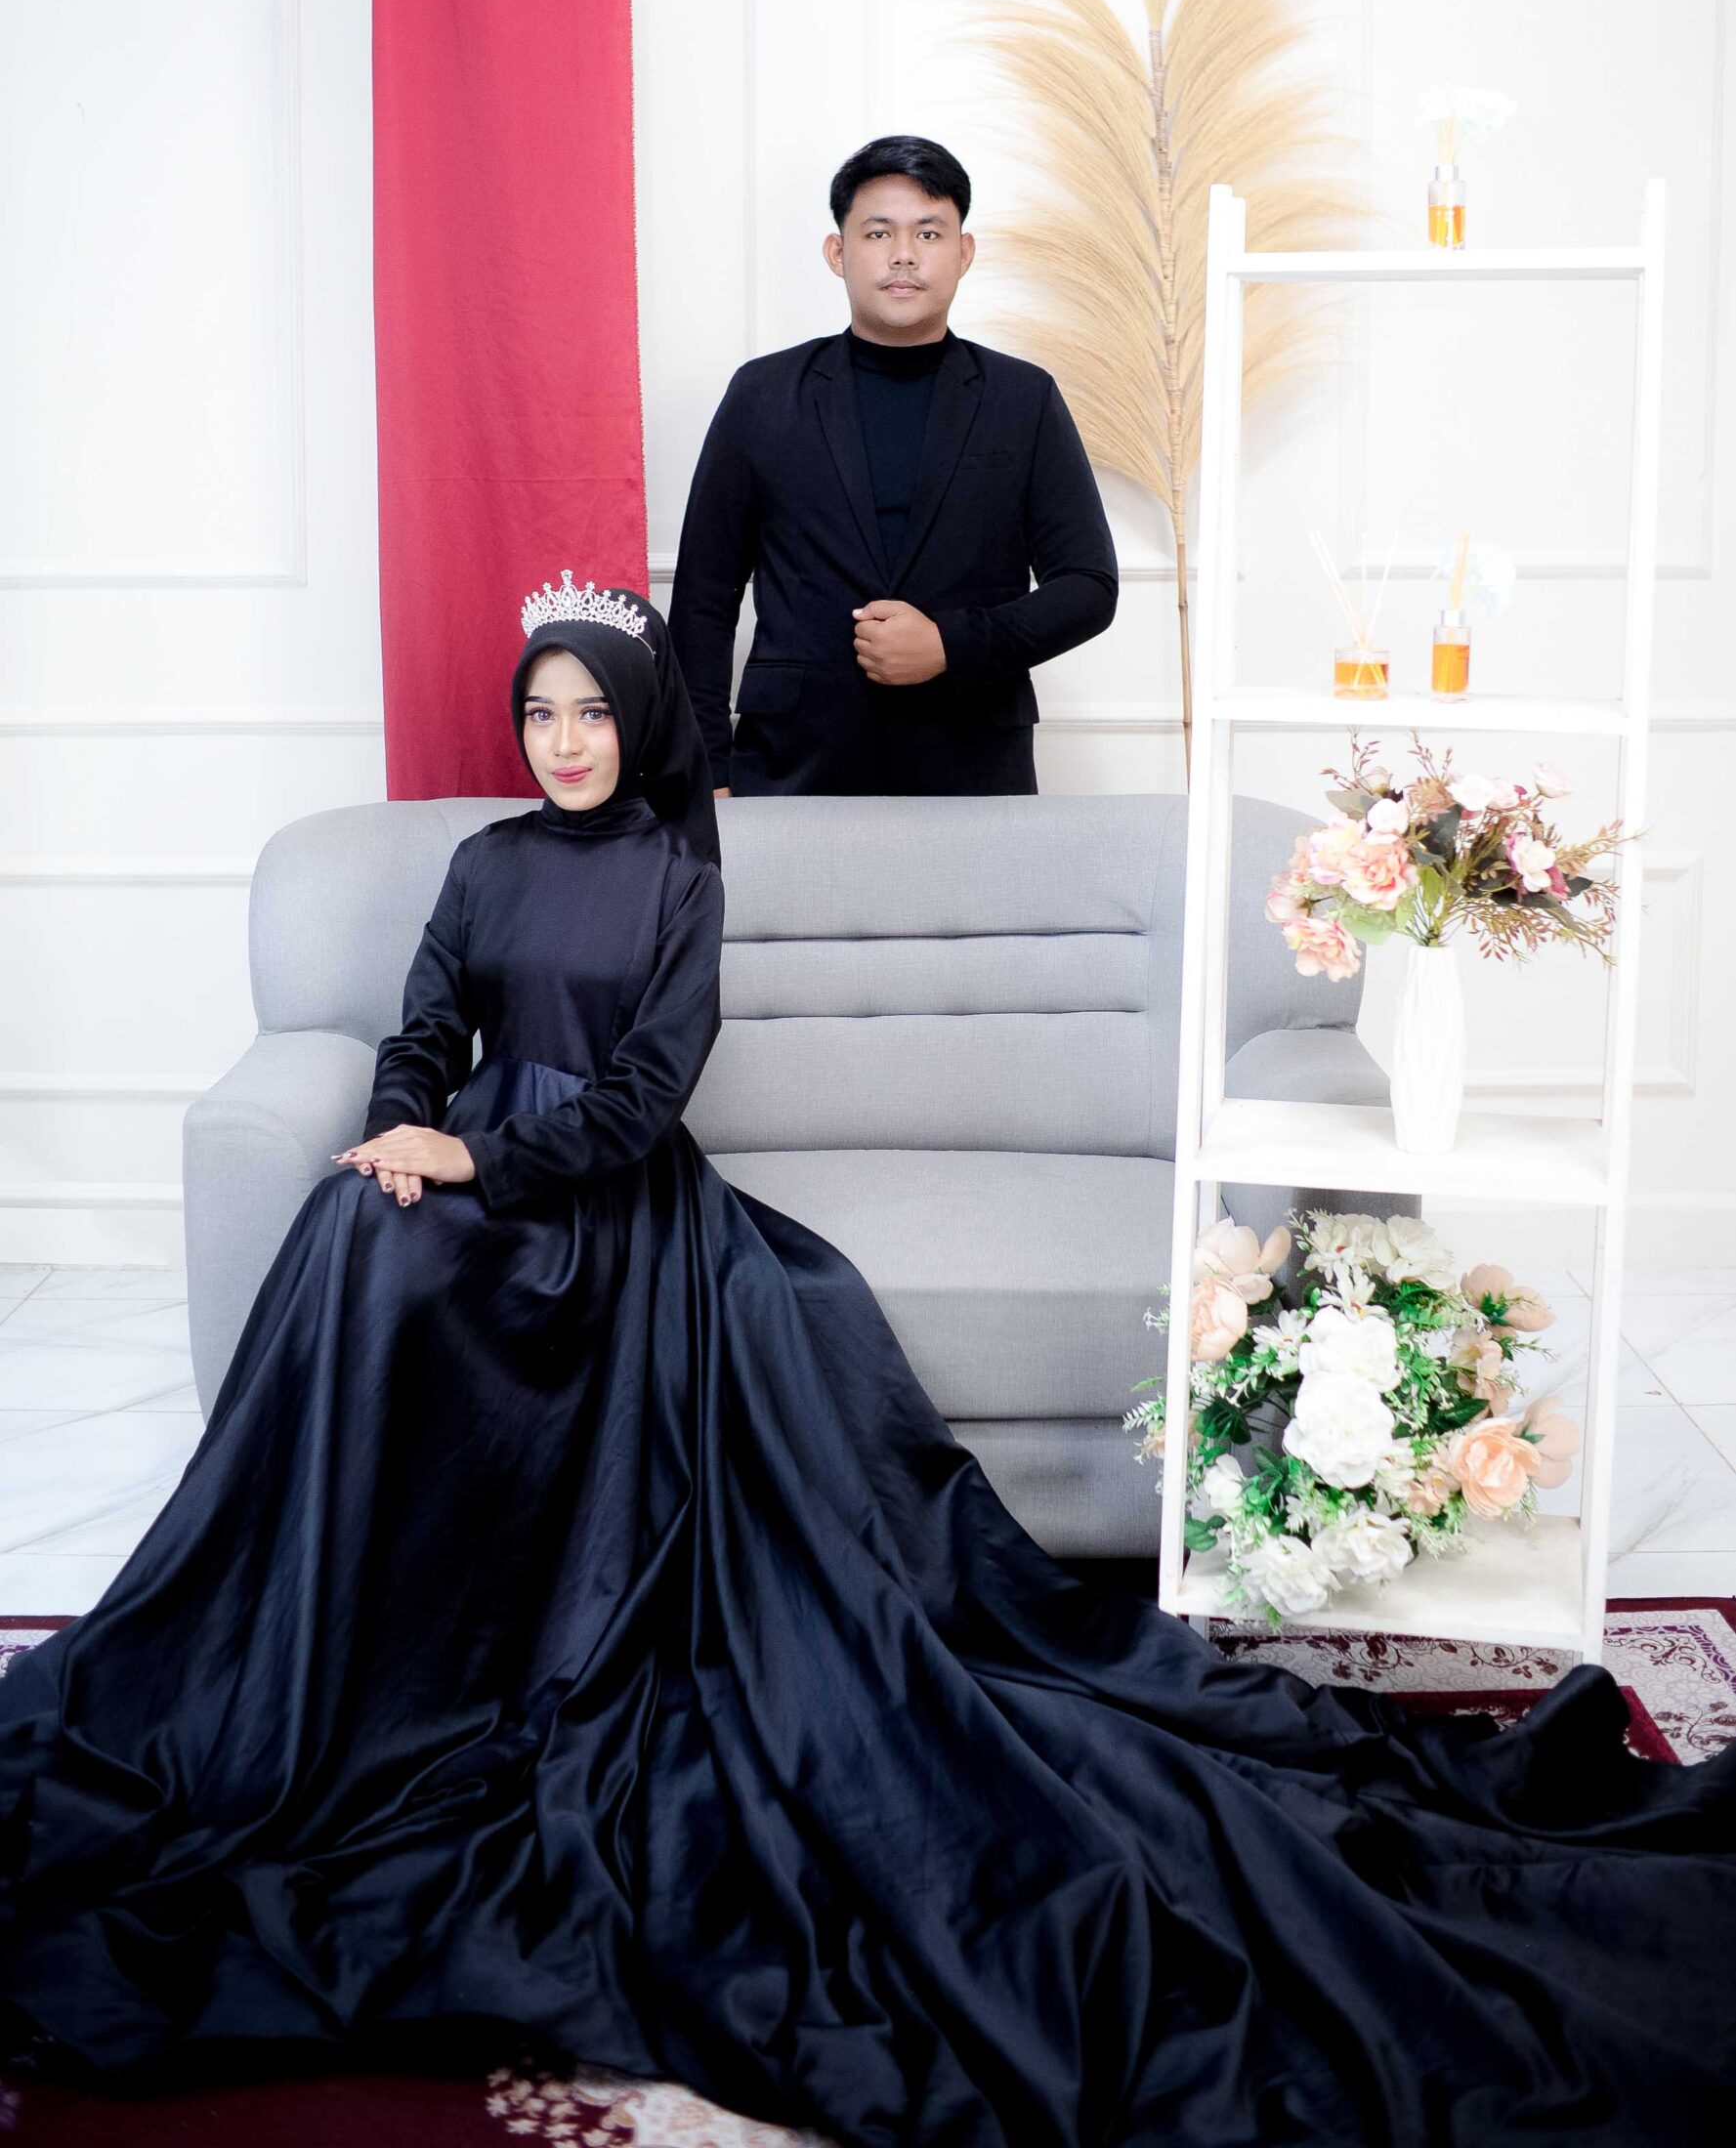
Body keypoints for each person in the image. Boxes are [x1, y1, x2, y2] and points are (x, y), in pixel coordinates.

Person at [2, 579, 1733, 2148]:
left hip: (606, 1206)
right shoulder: (483, 863)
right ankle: (328, 1638)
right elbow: (425, 1027)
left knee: (452, 1262)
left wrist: (485, 1160)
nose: (564, 740)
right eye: (539, 714)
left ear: (635, 718)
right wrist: (403, 1134)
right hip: (464, 1172)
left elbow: (644, 1097)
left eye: (590, 711)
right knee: (350, 1238)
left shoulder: (680, 874)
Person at [667, 134, 1119, 798]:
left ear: (964, 253)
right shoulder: (763, 393)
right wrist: (705, 771)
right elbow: (703, 597)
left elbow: (1088, 586)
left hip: (971, 765)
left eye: (929, 234)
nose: (903, 254)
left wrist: (952, 644)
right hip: (791, 766)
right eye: (878, 233)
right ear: (838, 252)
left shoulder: (1022, 398)